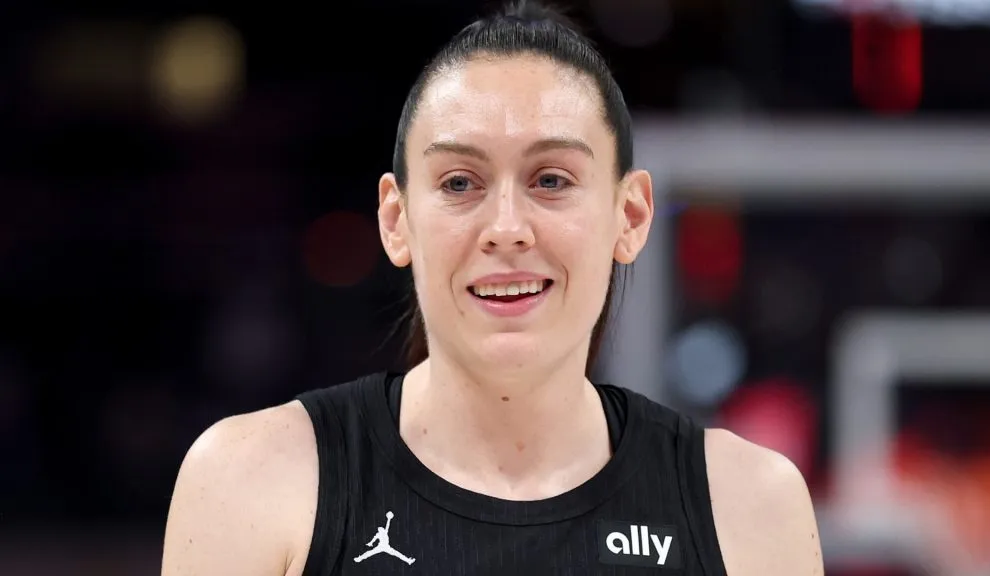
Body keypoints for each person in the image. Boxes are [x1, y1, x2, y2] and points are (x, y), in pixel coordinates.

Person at [161, 1, 824, 574]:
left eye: (551, 180)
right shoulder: (253, 483)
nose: (506, 229)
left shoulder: (748, 507)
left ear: (630, 216)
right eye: (459, 183)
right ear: (397, 220)